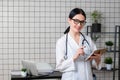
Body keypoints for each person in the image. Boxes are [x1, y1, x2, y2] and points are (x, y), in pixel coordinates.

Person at [55, 8, 102, 80]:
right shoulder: (61, 42)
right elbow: (60, 67)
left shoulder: (88, 40)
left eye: (82, 22)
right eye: (76, 21)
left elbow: (95, 65)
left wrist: (97, 59)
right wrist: (74, 57)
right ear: (69, 20)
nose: (79, 25)